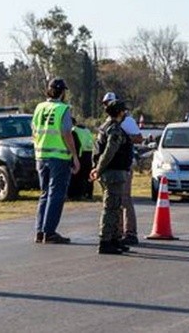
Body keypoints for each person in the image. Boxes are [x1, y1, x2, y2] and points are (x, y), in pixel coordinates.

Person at [32, 78, 80, 245]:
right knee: (56, 195)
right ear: (62, 92)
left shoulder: (39, 107)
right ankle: (50, 232)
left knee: (44, 194)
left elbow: (34, 130)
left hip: (41, 156)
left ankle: (40, 231)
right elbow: (66, 132)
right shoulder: (62, 109)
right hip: (59, 157)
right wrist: (74, 155)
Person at [90, 100, 134, 255]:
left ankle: (114, 239)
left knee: (116, 207)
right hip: (113, 173)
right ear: (120, 112)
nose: (125, 114)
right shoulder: (113, 129)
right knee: (110, 208)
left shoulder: (105, 127)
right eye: (124, 112)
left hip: (113, 172)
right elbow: (109, 151)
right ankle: (106, 241)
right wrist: (98, 169)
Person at [101, 92, 143, 246]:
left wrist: (123, 138)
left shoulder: (128, 121)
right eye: (106, 103)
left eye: (110, 102)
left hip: (123, 166)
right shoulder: (107, 123)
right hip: (111, 167)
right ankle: (115, 233)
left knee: (124, 199)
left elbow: (139, 137)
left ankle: (130, 232)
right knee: (113, 201)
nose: (108, 106)